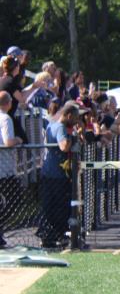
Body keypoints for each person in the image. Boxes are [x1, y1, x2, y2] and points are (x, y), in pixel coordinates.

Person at [40, 103, 80, 248]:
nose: (76, 121)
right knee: (59, 206)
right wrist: (73, 137)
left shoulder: (51, 125)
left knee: (49, 205)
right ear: (68, 115)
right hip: (57, 174)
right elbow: (64, 146)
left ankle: (48, 235)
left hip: (49, 172)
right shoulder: (60, 127)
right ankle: (56, 235)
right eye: (75, 118)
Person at [0, 91, 23, 246]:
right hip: (4, 169)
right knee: (12, 200)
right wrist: (19, 139)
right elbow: (8, 141)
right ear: (8, 103)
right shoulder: (5, 118)